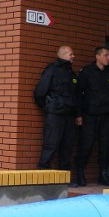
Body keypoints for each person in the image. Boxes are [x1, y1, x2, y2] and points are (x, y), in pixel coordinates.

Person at [75, 46, 109, 186]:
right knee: (86, 145)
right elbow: (78, 94)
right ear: (97, 56)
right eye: (106, 55)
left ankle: (103, 175)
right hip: (90, 115)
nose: (108, 58)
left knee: (105, 146)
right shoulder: (87, 72)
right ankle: (80, 174)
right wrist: (78, 114)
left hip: (107, 115)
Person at [33, 45, 79, 177]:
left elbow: (75, 96)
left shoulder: (71, 73)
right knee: (51, 144)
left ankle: (64, 178)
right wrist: (48, 107)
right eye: (71, 54)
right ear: (63, 55)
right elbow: (40, 92)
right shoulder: (52, 70)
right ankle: (42, 175)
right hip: (55, 114)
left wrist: (77, 114)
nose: (73, 56)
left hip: (69, 115)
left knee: (67, 146)